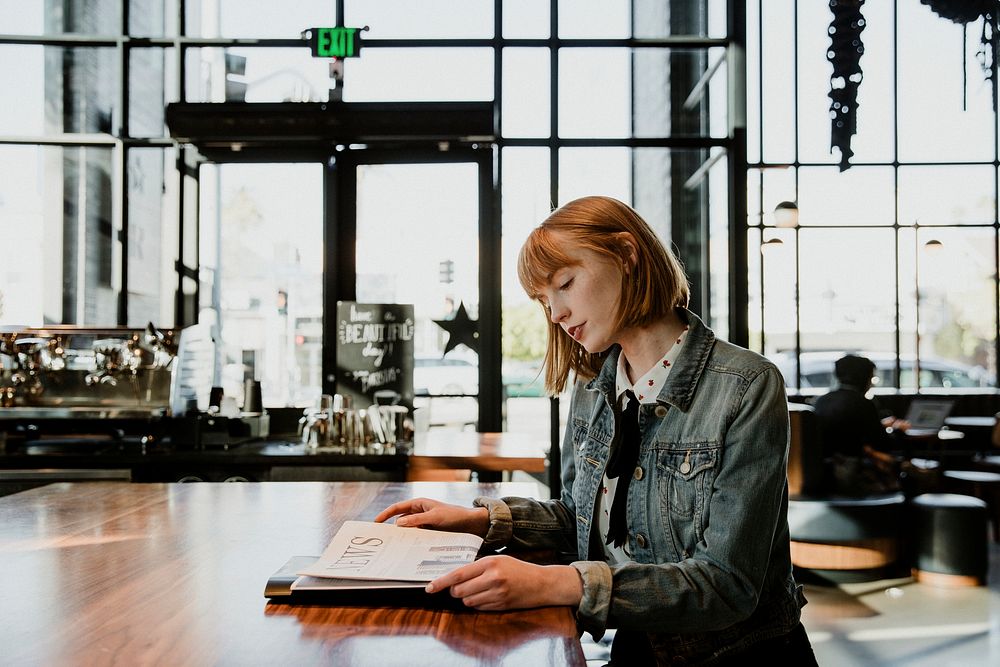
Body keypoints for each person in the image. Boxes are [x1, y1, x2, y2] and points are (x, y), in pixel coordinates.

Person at [375, 196, 816, 665]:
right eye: (544, 301)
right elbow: (580, 521)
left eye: (564, 284)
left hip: (741, 657)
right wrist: (480, 520)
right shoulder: (593, 386)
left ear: (627, 254)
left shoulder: (746, 384)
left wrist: (555, 583)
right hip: (640, 644)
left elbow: (727, 586)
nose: (556, 314)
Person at [812, 354, 908, 496]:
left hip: (824, 472)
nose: (871, 383)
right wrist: (897, 430)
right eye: (871, 378)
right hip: (855, 473)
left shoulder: (822, 401)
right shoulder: (863, 403)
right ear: (864, 379)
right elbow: (882, 443)